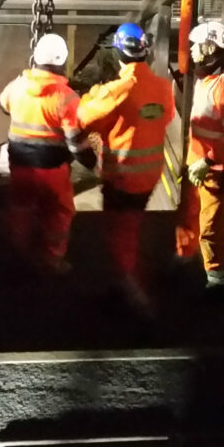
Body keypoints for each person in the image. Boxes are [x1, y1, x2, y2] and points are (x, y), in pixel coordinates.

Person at [77, 23, 175, 317]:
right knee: (131, 226)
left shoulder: (116, 90)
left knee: (119, 233)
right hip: (150, 174)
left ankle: (131, 290)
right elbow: (165, 116)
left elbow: (83, 117)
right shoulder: (162, 87)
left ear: (118, 52)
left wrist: (94, 93)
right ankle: (127, 282)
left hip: (122, 176)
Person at [0, 33, 95, 274]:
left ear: (36, 57)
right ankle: (51, 261)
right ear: (62, 61)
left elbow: (3, 105)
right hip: (53, 171)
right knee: (58, 214)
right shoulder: (67, 98)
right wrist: (93, 163)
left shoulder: (17, 86)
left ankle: (19, 257)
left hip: (20, 166)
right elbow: (76, 143)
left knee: (21, 209)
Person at [178, 20, 224, 300]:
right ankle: (203, 270)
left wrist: (206, 162)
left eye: (197, 45)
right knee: (197, 223)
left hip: (217, 172)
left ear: (211, 48)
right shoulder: (209, 80)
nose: (192, 49)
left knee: (211, 228)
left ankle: (220, 284)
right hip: (201, 168)